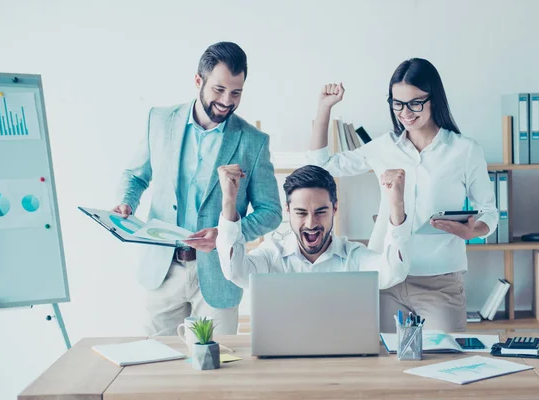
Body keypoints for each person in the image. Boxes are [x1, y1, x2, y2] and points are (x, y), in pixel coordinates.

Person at [307, 58, 498, 333]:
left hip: (439, 280)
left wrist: (473, 231)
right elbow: (320, 166)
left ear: (435, 100)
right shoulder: (384, 147)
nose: (405, 112)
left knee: (443, 363)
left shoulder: (464, 150)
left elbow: (489, 212)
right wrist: (324, 107)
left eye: (415, 103)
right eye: (397, 103)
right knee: (383, 369)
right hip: (385, 277)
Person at [113, 42, 282, 336]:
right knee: (156, 366)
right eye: (219, 90)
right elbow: (135, 175)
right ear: (198, 81)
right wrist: (126, 202)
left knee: (218, 371)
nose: (227, 101)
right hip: (162, 271)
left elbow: (271, 212)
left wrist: (225, 234)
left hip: (219, 277)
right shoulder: (159, 120)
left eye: (236, 93)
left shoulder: (254, 142)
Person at [215, 164, 410, 290]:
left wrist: (397, 205)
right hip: (284, 350)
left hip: (343, 351)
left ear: (334, 208)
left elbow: (394, 272)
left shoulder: (354, 256)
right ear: (288, 211)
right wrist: (229, 201)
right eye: (301, 213)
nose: (310, 223)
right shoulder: (271, 254)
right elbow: (236, 272)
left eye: (320, 212)